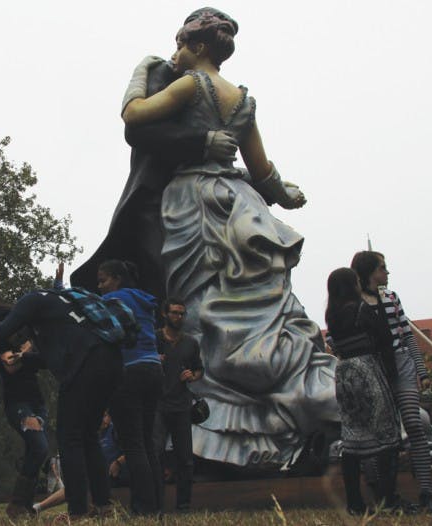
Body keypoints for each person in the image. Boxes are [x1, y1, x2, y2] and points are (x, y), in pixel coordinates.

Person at [119, 7, 338, 468]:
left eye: (180, 45)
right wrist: (286, 193)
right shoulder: (241, 100)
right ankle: (281, 408)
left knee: (197, 309)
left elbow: (135, 117)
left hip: (194, 204)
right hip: (241, 204)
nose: (174, 54)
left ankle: (211, 427)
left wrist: (142, 68)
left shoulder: (191, 84)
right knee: (256, 306)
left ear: (198, 48)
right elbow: (264, 172)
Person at [70, 9, 241, 301]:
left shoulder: (226, 94)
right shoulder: (166, 72)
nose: (178, 51)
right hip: (158, 195)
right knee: (163, 274)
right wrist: (203, 142)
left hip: (209, 193)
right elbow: (136, 131)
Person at [0, 284, 125, 520]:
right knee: (88, 436)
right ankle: (103, 506)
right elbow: (45, 359)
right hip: (112, 361)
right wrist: (25, 357)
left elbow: (0, 332)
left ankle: (78, 511)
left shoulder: (32, 300)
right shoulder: (62, 311)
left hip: (85, 363)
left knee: (70, 438)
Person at [351, 251, 432, 512]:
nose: (386, 273)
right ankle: (383, 494)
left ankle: (426, 492)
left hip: (401, 365)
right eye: (382, 268)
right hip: (373, 370)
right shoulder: (353, 303)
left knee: (413, 421)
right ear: (369, 271)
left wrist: (421, 371)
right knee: (380, 432)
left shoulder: (391, 298)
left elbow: (408, 336)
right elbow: (337, 338)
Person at [324, 268, 401, 514]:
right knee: (386, 436)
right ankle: (388, 499)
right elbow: (385, 341)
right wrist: (392, 376)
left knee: (353, 438)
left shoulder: (332, 315)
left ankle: (354, 502)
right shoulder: (361, 310)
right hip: (367, 369)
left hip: (345, 374)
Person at [97, 259, 162, 515]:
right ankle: (156, 507)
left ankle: (142, 509)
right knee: (147, 443)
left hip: (129, 371)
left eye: (103, 280)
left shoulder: (113, 301)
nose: (99, 286)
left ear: (117, 279)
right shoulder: (143, 299)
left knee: (133, 444)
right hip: (154, 369)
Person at [153, 298, 202, 512]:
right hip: (158, 405)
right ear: (165, 314)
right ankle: (155, 504)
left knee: (185, 459)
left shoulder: (191, 342)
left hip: (182, 405)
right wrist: (153, 359)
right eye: (174, 312)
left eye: (182, 313)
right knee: (155, 454)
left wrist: (193, 375)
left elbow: (200, 369)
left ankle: (183, 505)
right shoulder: (154, 338)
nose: (178, 317)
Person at [0, 341, 50, 518]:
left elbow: (48, 360)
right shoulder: (2, 335)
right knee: (40, 448)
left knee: (34, 451)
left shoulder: (32, 334)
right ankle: (16, 503)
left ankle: (25, 506)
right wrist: (28, 350)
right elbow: (10, 365)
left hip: (38, 403)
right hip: (18, 402)